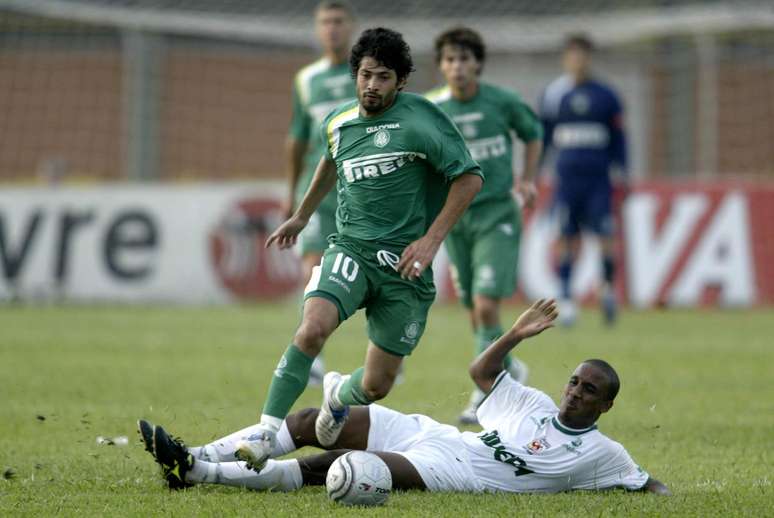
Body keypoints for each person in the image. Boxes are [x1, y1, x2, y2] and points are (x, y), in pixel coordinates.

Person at [230, 27, 483, 473]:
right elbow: (330, 159)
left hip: (404, 265)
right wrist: (302, 215)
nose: (372, 85)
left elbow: (469, 178)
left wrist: (430, 240)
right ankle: (265, 433)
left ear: (401, 81)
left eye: (383, 77)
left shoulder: (423, 119)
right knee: (311, 330)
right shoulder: (339, 121)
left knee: (377, 384)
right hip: (350, 249)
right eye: (366, 75)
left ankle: (337, 396)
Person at [139, 299, 670, 495]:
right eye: (574, 381)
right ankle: (196, 454)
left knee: (337, 464)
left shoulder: (603, 454)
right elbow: (482, 371)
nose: (575, 393)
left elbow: (651, 486)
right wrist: (513, 335)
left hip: (457, 475)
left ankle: (199, 474)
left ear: (606, 406)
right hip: (439, 436)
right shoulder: (533, 404)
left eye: (589, 390)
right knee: (310, 420)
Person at [426, 27, 543, 425]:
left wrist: (527, 178)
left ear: (477, 63)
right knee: (475, 312)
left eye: (464, 59)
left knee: (486, 303)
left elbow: (533, 133)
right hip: (455, 218)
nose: (457, 67)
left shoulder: (502, 101)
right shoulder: (432, 108)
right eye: (450, 60)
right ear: (441, 66)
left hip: (496, 214)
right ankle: (510, 367)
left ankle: (485, 390)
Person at [285, 1, 357, 384]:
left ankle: (388, 351)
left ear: (351, 26)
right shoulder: (306, 79)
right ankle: (312, 353)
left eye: (338, 21)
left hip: (361, 186)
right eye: (326, 22)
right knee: (313, 265)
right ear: (317, 29)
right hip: (318, 188)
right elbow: (297, 138)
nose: (332, 28)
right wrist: (291, 192)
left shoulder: (367, 73)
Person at [539, 33, 628, 326]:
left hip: (598, 181)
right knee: (566, 236)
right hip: (566, 181)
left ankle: (608, 290)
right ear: (566, 58)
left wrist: (623, 171)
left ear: (590, 58)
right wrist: (536, 173)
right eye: (573, 55)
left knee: (605, 235)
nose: (578, 60)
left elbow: (619, 139)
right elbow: (544, 139)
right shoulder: (554, 94)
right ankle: (566, 297)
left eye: (583, 55)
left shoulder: (607, 95)